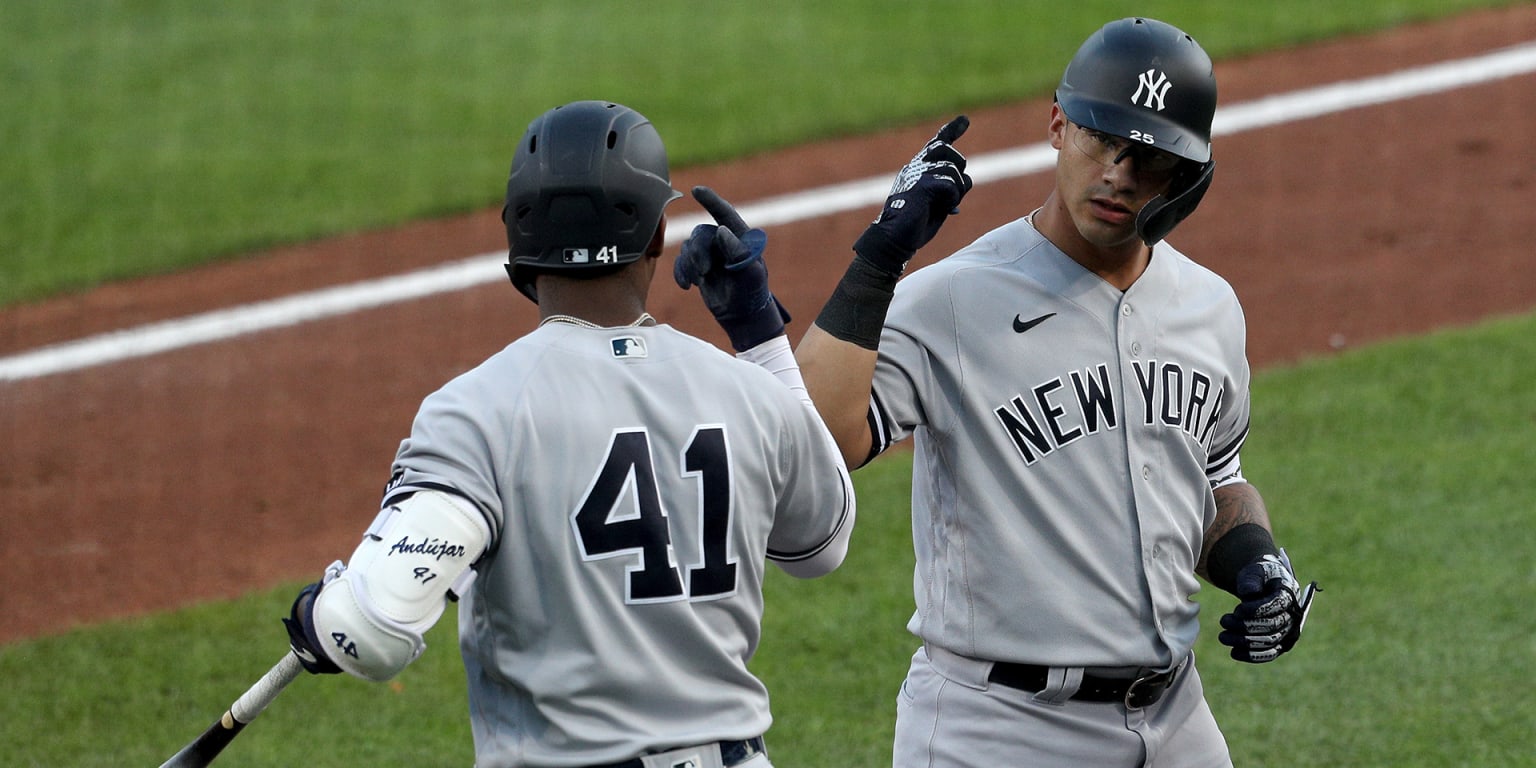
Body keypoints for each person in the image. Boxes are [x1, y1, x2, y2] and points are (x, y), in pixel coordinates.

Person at [691, 17, 1319, 768]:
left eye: (1147, 159)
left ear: (1188, 177)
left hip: (1177, 716)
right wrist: (877, 261)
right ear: (1058, 123)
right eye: (1100, 138)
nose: (1117, 172)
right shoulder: (952, 299)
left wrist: (1257, 561)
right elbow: (818, 447)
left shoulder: (1211, 308)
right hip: (998, 728)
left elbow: (1217, 477)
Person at [280, 99, 856, 768]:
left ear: (518, 242)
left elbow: (370, 633)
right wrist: (759, 336)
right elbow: (822, 544)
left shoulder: (477, 410)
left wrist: (322, 614)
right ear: (655, 239)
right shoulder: (747, 391)